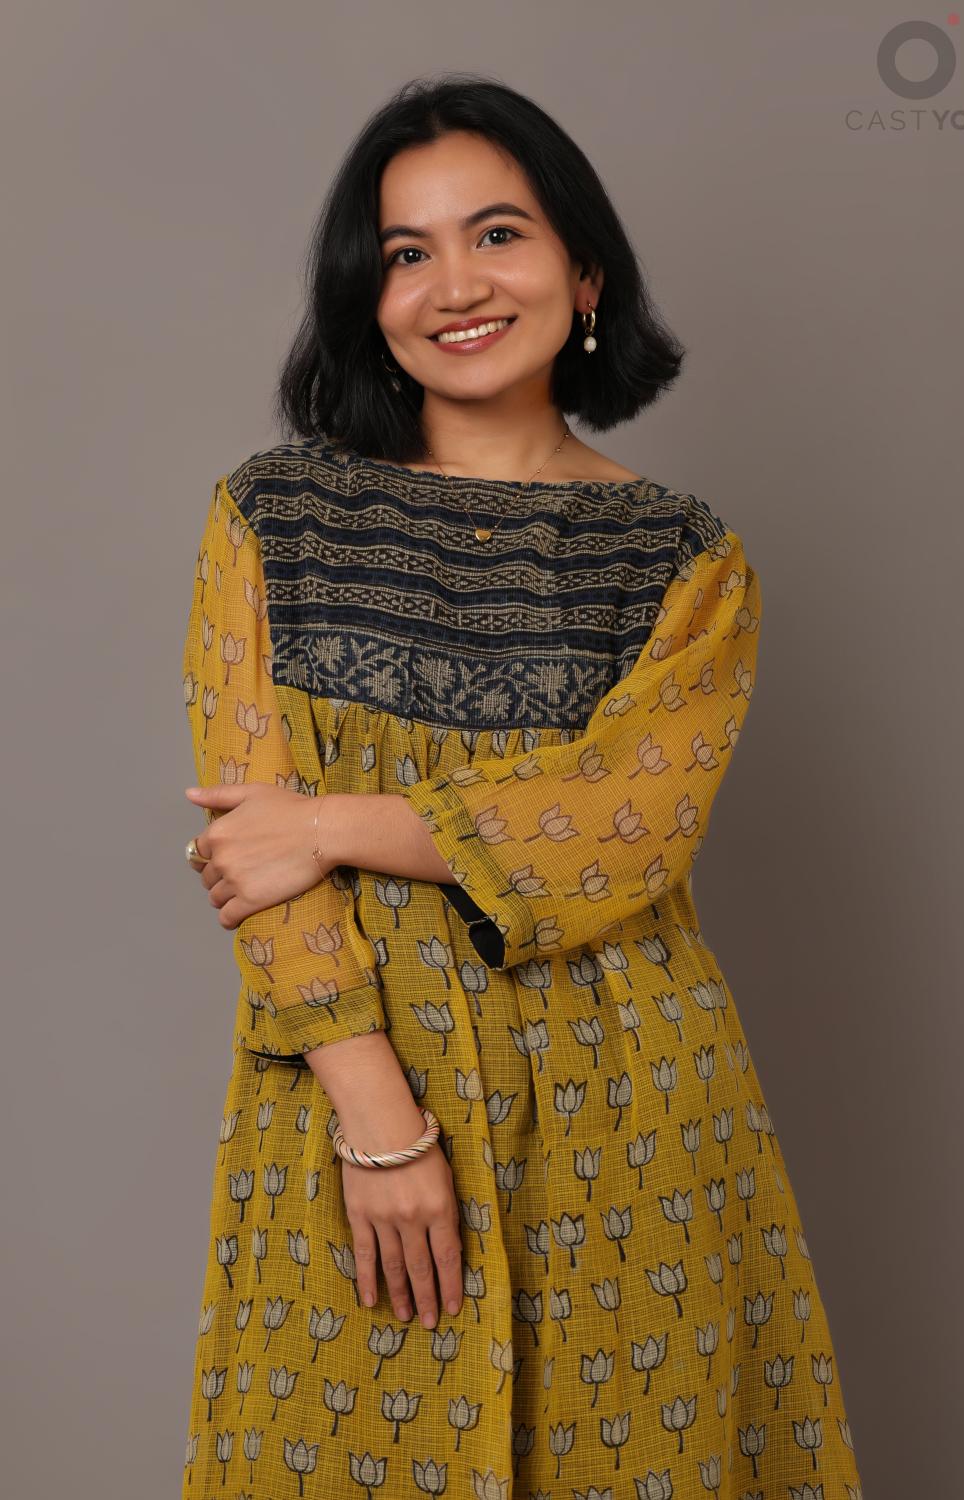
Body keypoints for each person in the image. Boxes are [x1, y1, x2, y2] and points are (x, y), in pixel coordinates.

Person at [178, 73, 863, 1500]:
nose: (456, 286)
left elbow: (622, 829)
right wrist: (380, 1125)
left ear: (585, 271)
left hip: (630, 1102)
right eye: (407, 253)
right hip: (346, 1086)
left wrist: (336, 823)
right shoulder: (272, 518)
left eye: (499, 234)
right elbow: (254, 860)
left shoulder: (683, 558)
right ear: (368, 297)